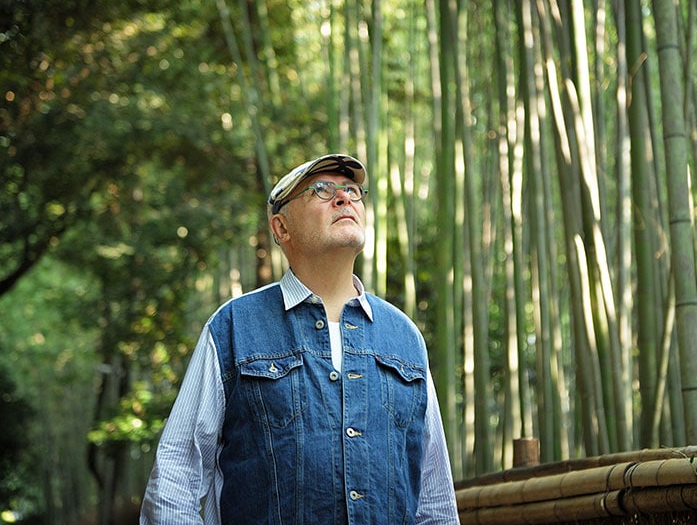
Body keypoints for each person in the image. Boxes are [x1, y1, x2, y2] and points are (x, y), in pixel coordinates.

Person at [140, 153, 460, 524]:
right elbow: (175, 480)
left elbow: (434, 502)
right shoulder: (233, 327)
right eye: (322, 190)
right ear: (281, 228)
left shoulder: (404, 336)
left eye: (354, 191)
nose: (344, 198)